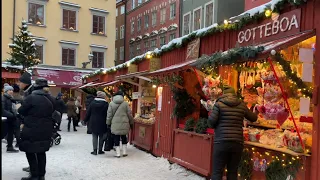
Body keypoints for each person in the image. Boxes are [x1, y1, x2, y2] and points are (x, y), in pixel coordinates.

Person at [208, 86, 258, 180]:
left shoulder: (218, 104)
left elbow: (211, 123)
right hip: (237, 143)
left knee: (217, 172)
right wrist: (257, 110)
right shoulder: (242, 104)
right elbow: (253, 118)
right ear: (234, 94)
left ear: (223, 94)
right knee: (232, 172)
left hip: (221, 142)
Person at [18, 78, 56, 180]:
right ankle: (41, 175)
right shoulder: (51, 99)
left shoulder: (31, 98)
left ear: (35, 87)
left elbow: (21, 111)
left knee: (30, 151)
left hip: (31, 128)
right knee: (41, 152)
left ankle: (34, 175)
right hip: (46, 129)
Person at [106, 91, 134, 158]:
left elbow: (109, 115)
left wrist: (108, 123)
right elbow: (129, 114)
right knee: (124, 137)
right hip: (124, 123)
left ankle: (118, 153)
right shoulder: (125, 104)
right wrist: (131, 122)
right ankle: (124, 152)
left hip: (115, 123)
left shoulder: (111, 104)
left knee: (116, 138)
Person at [18, 71, 34, 173]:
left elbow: (29, 109)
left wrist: (20, 109)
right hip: (30, 122)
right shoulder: (28, 91)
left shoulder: (31, 93)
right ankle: (32, 166)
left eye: (20, 82)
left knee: (31, 147)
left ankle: (34, 169)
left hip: (32, 124)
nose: (19, 84)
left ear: (25, 83)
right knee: (30, 147)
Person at [84, 91, 109, 155]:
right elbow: (108, 114)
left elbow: (88, 112)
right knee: (101, 136)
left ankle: (94, 150)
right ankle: (100, 150)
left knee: (94, 136)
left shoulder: (92, 103)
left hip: (93, 121)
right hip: (103, 122)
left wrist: (85, 120)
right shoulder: (106, 104)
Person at [2, 84, 19, 153]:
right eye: (9, 90)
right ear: (6, 91)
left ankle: (9, 146)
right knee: (4, 133)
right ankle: (9, 146)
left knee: (11, 133)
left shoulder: (10, 98)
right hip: (6, 119)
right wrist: (12, 115)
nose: (11, 91)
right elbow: (3, 110)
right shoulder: (3, 98)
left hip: (11, 118)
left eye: (12, 90)